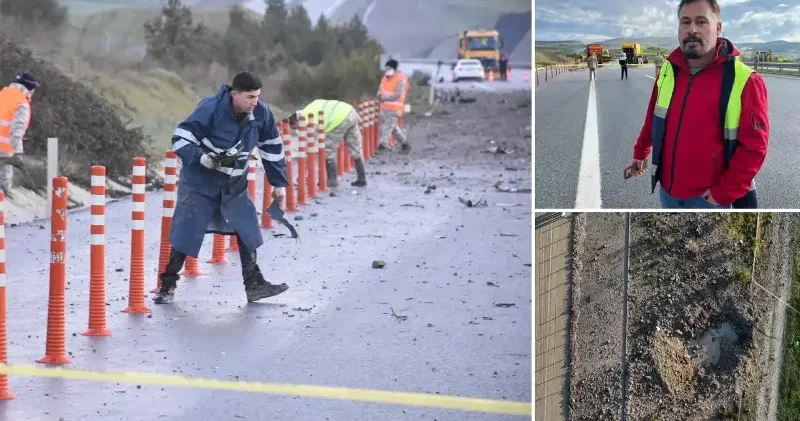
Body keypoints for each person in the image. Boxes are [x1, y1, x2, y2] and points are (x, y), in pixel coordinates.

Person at [154, 71, 290, 304]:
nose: (254, 102)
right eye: (249, 97)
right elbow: (181, 138)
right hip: (200, 184)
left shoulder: (261, 113)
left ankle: (254, 284)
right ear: (234, 94)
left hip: (234, 186)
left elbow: (271, 147)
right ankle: (167, 285)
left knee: (247, 230)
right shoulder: (210, 109)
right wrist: (201, 157)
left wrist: (278, 182)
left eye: (257, 96)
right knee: (186, 232)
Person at [628, 0, 769, 209]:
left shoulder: (746, 80)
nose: (692, 29)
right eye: (685, 22)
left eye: (701, 22)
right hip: (667, 193)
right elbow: (654, 117)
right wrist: (640, 152)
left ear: (718, 28)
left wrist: (721, 195)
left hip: (709, 201)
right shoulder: (668, 70)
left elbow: (755, 148)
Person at [288, 99, 366, 188]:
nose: (298, 129)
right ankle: (362, 178)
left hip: (338, 119)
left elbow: (310, 143)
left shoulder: (306, 119)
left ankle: (332, 180)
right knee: (356, 148)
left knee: (328, 150)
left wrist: (303, 175)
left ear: (296, 121)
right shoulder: (310, 108)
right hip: (350, 112)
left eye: (296, 128)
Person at [0, 71, 38, 199]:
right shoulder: (21, 103)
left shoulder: (2, 94)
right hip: (3, 153)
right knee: (2, 188)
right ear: (31, 89)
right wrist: (18, 153)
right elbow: (16, 130)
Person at [376, 59, 412, 154]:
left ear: (394, 69)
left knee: (387, 127)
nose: (386, 70)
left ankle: (382, 146)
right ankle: (405, 144)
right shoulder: (385, 78)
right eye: (386, 68)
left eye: (389, 68)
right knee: (393, 129)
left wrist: (384, 98)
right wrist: (379, 94)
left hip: (395, 109)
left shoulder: (401, 79)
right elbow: (381, 88)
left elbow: (398, 94)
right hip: (384, 108)